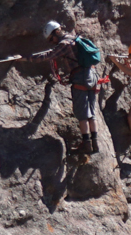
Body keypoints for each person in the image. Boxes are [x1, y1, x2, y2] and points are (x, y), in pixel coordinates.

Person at [41, 19, 104, 153]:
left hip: (80, 77)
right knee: (92, 113)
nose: (52, 42)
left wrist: (25, 58)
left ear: (55, 33)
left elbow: (48, 55)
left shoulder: (64, 44)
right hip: (92, 75)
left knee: (82, 113)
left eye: (51, 39)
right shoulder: (76, 37)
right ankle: (95, 144)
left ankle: (86, 145)